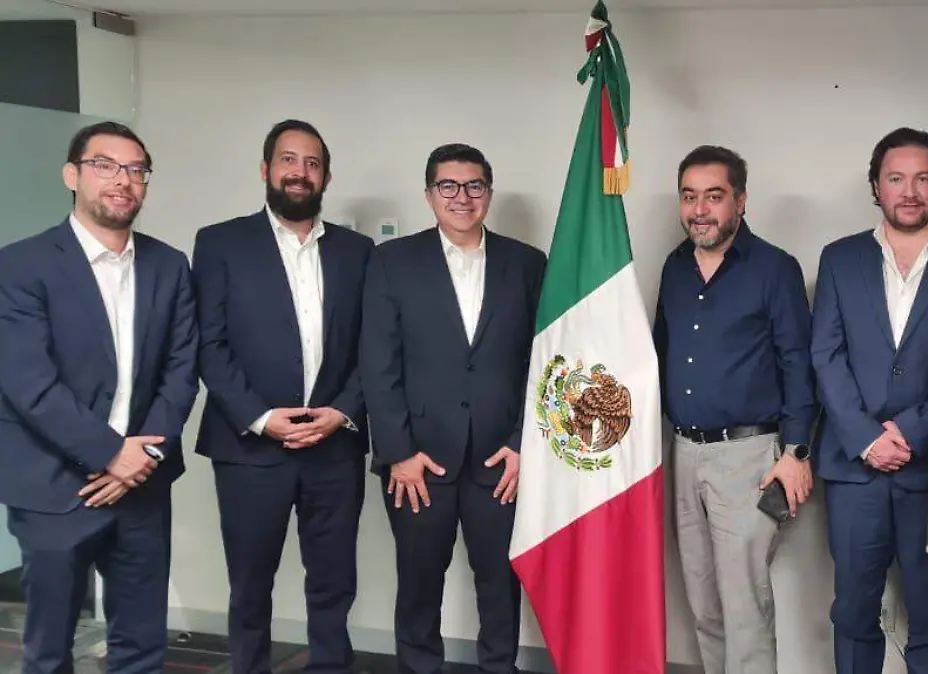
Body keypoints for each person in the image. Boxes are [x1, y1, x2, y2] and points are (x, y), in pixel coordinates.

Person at [0, 121, 198, 673]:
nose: (122, 180)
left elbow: (182, 370)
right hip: (54, 487)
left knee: (141, 646)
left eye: (136, 170)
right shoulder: (19, 265)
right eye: (105, 165)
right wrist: (112, 454)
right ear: (72, 175)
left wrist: (143, 457)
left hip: (143, 486)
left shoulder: (169, 265)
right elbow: (29, 383)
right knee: (49, 652)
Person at [191, 120, 373, 673]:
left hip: (334, 446)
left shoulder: (358, 251)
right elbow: (208, 344)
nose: (300, 172)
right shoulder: (220, 243)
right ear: (266, 169)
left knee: (334, 583)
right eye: (289, 160)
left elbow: (375, 347)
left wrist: (342, 412)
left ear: (326, 177)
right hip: (248, 448)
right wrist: (260, 417)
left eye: (313, 163)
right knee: (250, 585)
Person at [360, 143, 546, 674]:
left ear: (489, 192)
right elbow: (378, 362)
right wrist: (397, 452)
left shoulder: (528, 264)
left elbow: (545, 360)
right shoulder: (392, 262)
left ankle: (499, 667)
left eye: (474, 186)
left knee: (500, 584)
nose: (461, 197)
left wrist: (523, 443)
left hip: (502, 459)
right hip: (418, 461)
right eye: (448, 186)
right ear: (429, 195)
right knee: (419, 583)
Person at [810, 127, 928, 674]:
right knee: (855, 613)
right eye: (896, 179)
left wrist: (911, 430)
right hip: (855, 470)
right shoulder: (840, 258)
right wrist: (866, 438)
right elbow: (825, 355)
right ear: (876, 187)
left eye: (922, 178)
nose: (909, 191)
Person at [652, 144, 817, 674]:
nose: (699, 209)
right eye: (689, 197)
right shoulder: (675, 268)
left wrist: (796, 452)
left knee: (744, 606)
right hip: (684, 453)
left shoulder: (774, 268)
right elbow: (659, 353)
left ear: (740, 201)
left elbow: (798, 364)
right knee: (703, 604)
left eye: (714, 196)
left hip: (749, 457)